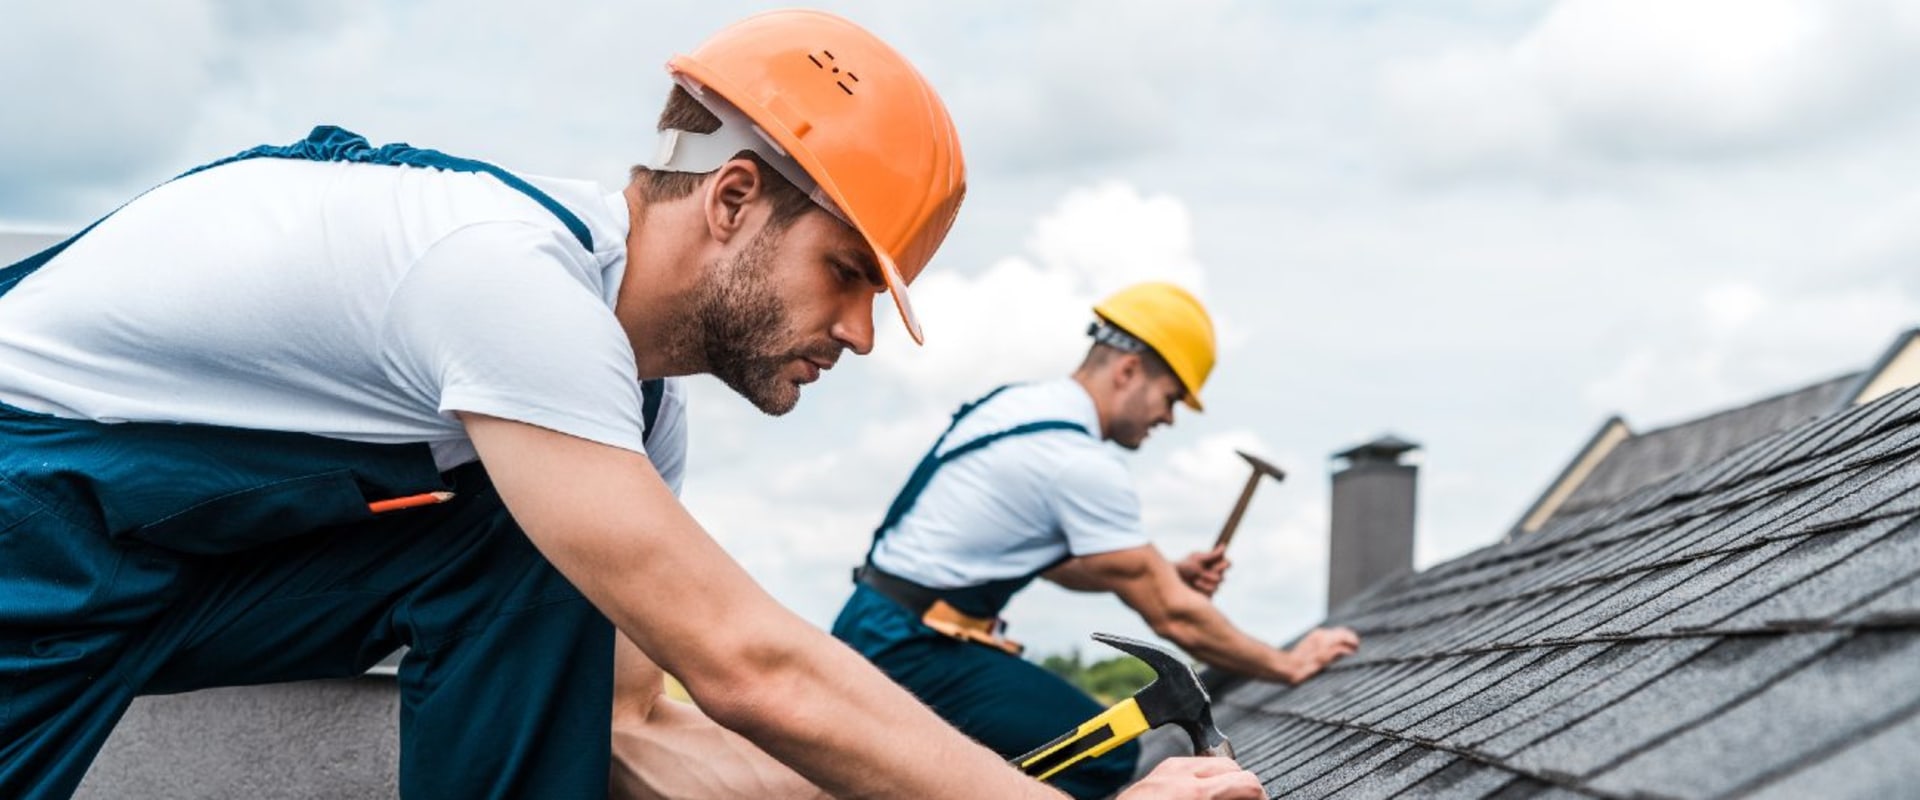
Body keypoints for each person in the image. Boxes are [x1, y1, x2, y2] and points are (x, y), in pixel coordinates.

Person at [0, 9, 1267, 800]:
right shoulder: (508, 281)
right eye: (845, 273)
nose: (863, 334)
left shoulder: (626, 421)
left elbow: (637, 732)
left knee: (535, 554)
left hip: (182, 556)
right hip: (29, 523)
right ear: (729, 204)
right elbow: (749, 662)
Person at [832, 281, 1363, 799]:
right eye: (1170, 397)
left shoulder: (1018, 408)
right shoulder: (1077, 460)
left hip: (875, 622)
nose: (1168, 418)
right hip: (910, 646)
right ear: (1129, 370)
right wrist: (1287, 663)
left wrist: (1166, 572)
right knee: (1102, 753)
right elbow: (1176, 617)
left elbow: (1061, 563)